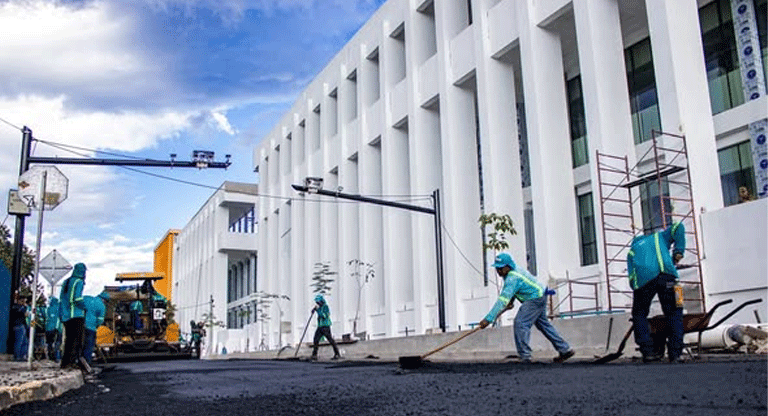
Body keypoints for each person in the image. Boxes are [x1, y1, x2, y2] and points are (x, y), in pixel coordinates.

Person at [479, 253, 575, 363]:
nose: (498, 271)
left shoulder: (512, 278)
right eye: (497, 268)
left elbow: (502, 301)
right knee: (543, 325)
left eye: (500, 268)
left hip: (535, 298)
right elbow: (514, 291)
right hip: (540, 295)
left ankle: (525, 355)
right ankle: (565, 349)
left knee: (521, 323)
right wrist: (511, 301)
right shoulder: (511, 273)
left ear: (508, 266)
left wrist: (488, 319)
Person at [627, 221, 686, 363]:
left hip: (644, 280)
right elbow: (678, 226)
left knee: (639, 313)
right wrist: (678, 251)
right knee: (675, 312)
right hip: (668, 275)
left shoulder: (632, 249)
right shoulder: (659, 236)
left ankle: (648, 352)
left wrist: (637, 289)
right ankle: (676, 354)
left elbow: (632, 276)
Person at [59, 262, 87, 370]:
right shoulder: (79, 282)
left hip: (65, 316)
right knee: (77, 340)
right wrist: (84, 307)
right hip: (76, 314)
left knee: (68, 340)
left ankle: (64, 363)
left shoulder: (66, 282)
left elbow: (62, 299)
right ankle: (72, 362)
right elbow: (77, 298)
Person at [82, 292, 109, 367]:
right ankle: (87, 362)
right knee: (89, 345)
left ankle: (80, 360)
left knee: (81, 344)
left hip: (82, 325)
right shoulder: (102, 306)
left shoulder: (88, 299)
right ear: (104, 300)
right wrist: (97, 325)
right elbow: (100, 320)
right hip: (91, 327)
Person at [310, 294, 341, 360]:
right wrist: (313, 311)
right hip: (320, 326)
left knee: (330, 340)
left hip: (325, 326)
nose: (318, 303)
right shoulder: (320, 308)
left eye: (319, 302)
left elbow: (324, 315)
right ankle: (314, 354)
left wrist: (317, 311)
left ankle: (337, 353)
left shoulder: (325, 307)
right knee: (316, 339)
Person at [10, 292, 29, 361]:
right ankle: (17, 356)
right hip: (18, 325)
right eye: (23, 301)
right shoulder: (17, 307)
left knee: (24, 342)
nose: (24, 302)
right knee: (19, 342)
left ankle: (22, 356)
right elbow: (19, 314)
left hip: (22, 325)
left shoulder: (22, 307)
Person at [45, 297, 63, 362]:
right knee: (57, 343)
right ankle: (57, 357)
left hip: (48, 329)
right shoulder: (59, 308)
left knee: (49, 343)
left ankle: (50, 357)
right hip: (57, 328)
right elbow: (59, 318)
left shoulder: (48, 308)